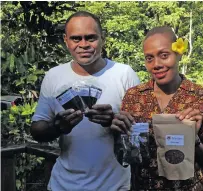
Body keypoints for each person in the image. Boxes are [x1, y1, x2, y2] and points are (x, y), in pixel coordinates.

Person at [30, 11, 140, 191]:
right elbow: (37, 130)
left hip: (114, 186)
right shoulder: (54, 76)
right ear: (66, 40)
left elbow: (141, 135)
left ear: (102, 38)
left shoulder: (124, 74)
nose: (84, 45)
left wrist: (114, 123)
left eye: (90, 38)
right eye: (76, 38)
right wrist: (58, 127)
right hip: (62, 185)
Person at [111, 26, 203, 190]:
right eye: (149, 58)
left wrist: (195, 140)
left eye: (164, 55)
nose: (156, 64)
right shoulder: (134, 97)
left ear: (178, 54)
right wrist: (119, 135)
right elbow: (125, 157)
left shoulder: (200, 97)